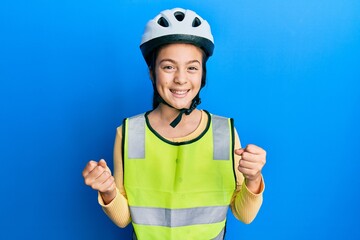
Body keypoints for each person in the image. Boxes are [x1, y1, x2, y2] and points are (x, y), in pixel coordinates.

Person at [82, 7, 266, 240]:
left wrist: (254, 178)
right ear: (151, 72)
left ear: (202, 74)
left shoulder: (223, 133)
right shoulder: (130, 133)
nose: (180, 78)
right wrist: (107, 190)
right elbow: (123, 219)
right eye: (168, 67)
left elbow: (244, 214)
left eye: (192, 68)